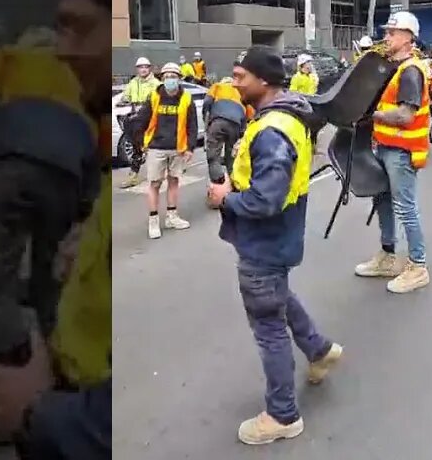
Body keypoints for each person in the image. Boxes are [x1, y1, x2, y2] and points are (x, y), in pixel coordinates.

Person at [0, 0, 111, 459]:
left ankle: (9, 373)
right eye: (60, 29)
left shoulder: (7, 62)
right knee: (39, 279)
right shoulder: (86, 102)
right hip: (69, 393)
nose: (65, 50)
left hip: (72, 419)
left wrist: (32, 411)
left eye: (80, 29)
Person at [205, 47, 342, 445]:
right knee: (279, 297)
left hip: (265, 242)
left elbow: (264, 199)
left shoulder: (273, 129)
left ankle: (283, 414)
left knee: (268, 326)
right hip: (276, 240)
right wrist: (235, 182)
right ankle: (318, 349)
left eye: (240, 76)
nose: (234, 82)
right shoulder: (283, 117)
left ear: (263, 80)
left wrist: (223, 199)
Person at [0, 14, 101, 383]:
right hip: (67, 179)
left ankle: (12, 371)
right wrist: (85, 211)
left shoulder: (7, 58)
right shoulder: (77, 75)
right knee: (52, 277)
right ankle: (64, 369)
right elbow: (95, 151)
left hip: (11, 169)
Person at [353, 10, 432, 294]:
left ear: (408, 38)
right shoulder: (394, 67)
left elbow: (405, 116)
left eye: (392, 33)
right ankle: (388, 256)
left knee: (406, 208)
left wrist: (372, 114)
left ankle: (418, 266)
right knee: (383, 201)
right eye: (387, 32)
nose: (386, 37)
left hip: (402, 150)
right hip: (386, 147)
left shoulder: (412, 71)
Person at [141, 63, 198, 238]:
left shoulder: (187, 98)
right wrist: (141, 143)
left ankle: (172, 216)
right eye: (166, 77)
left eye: (173, 76)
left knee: (174, 181)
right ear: (162, 79)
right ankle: (153, 221)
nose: (169, 80)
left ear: (179, 78)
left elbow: (192, 125)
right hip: (156, 147)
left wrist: (189, 148)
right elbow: (142, 120)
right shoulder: (154, 97)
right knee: (155, 184)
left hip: (177, 148)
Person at [203, 53, 255, 184]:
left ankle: (218, 183)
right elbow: (249, 116)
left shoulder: (217, 86)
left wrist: (207, 120)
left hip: (218, 122)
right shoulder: (241, 91)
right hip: (236, 125)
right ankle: (234, 183)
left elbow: (207, 102)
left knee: (213, 155)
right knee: (232, 156)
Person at [117, 58, 160, 188]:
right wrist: (123, 101)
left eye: (146, 67)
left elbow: (158, 100)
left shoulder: (156, 83)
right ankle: (133, 176)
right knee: (136, 147)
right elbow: (126, 97)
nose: (143, 69)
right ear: (137, 69)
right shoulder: (133, 83)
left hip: (150, 116)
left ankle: (160, 173)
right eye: (140, 67)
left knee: (154, 147)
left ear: (149, 68)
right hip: (136, 116)